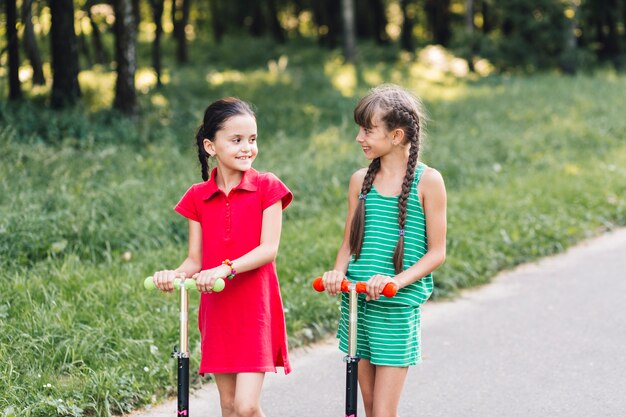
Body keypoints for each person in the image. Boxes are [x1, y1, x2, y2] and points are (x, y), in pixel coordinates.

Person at [152, 97, 292, 417]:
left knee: (246, 406)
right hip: (217, 310)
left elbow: (269, 249)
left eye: (252, 139)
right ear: (210, 146)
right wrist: (173, 275)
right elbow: (194, 261)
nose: (247, 148)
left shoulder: (268, 187)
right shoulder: (197, 196)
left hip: (254, 306)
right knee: (228, 407)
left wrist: (225, 269)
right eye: (237, 140)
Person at [321, 84, 447, 417]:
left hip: (395, 308)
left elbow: (437, 253)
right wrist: (337, 271)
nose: (359, 138)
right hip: (358, 304)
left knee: (383, 413)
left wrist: (396, 281)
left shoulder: (428, 181)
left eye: (368, 130)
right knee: (368, 406)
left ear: (396, 135)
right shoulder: (359, 180)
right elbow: (349, 240)